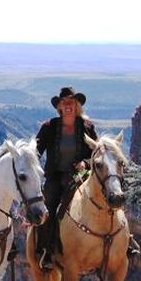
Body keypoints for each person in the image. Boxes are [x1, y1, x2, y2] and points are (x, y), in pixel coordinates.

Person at [35, 86, 98, 270]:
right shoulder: (49, 127)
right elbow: (36, 152)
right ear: (59, 106)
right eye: (64, 102)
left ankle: (121, 242)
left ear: (77, 105)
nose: (68, 105)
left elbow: (97, 152)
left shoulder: (87, 127)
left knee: (105, 196)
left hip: (79, 176)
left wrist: (85, 163)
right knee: (48, 208)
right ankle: (46, 250)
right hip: (55, 177)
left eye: (71, 102)